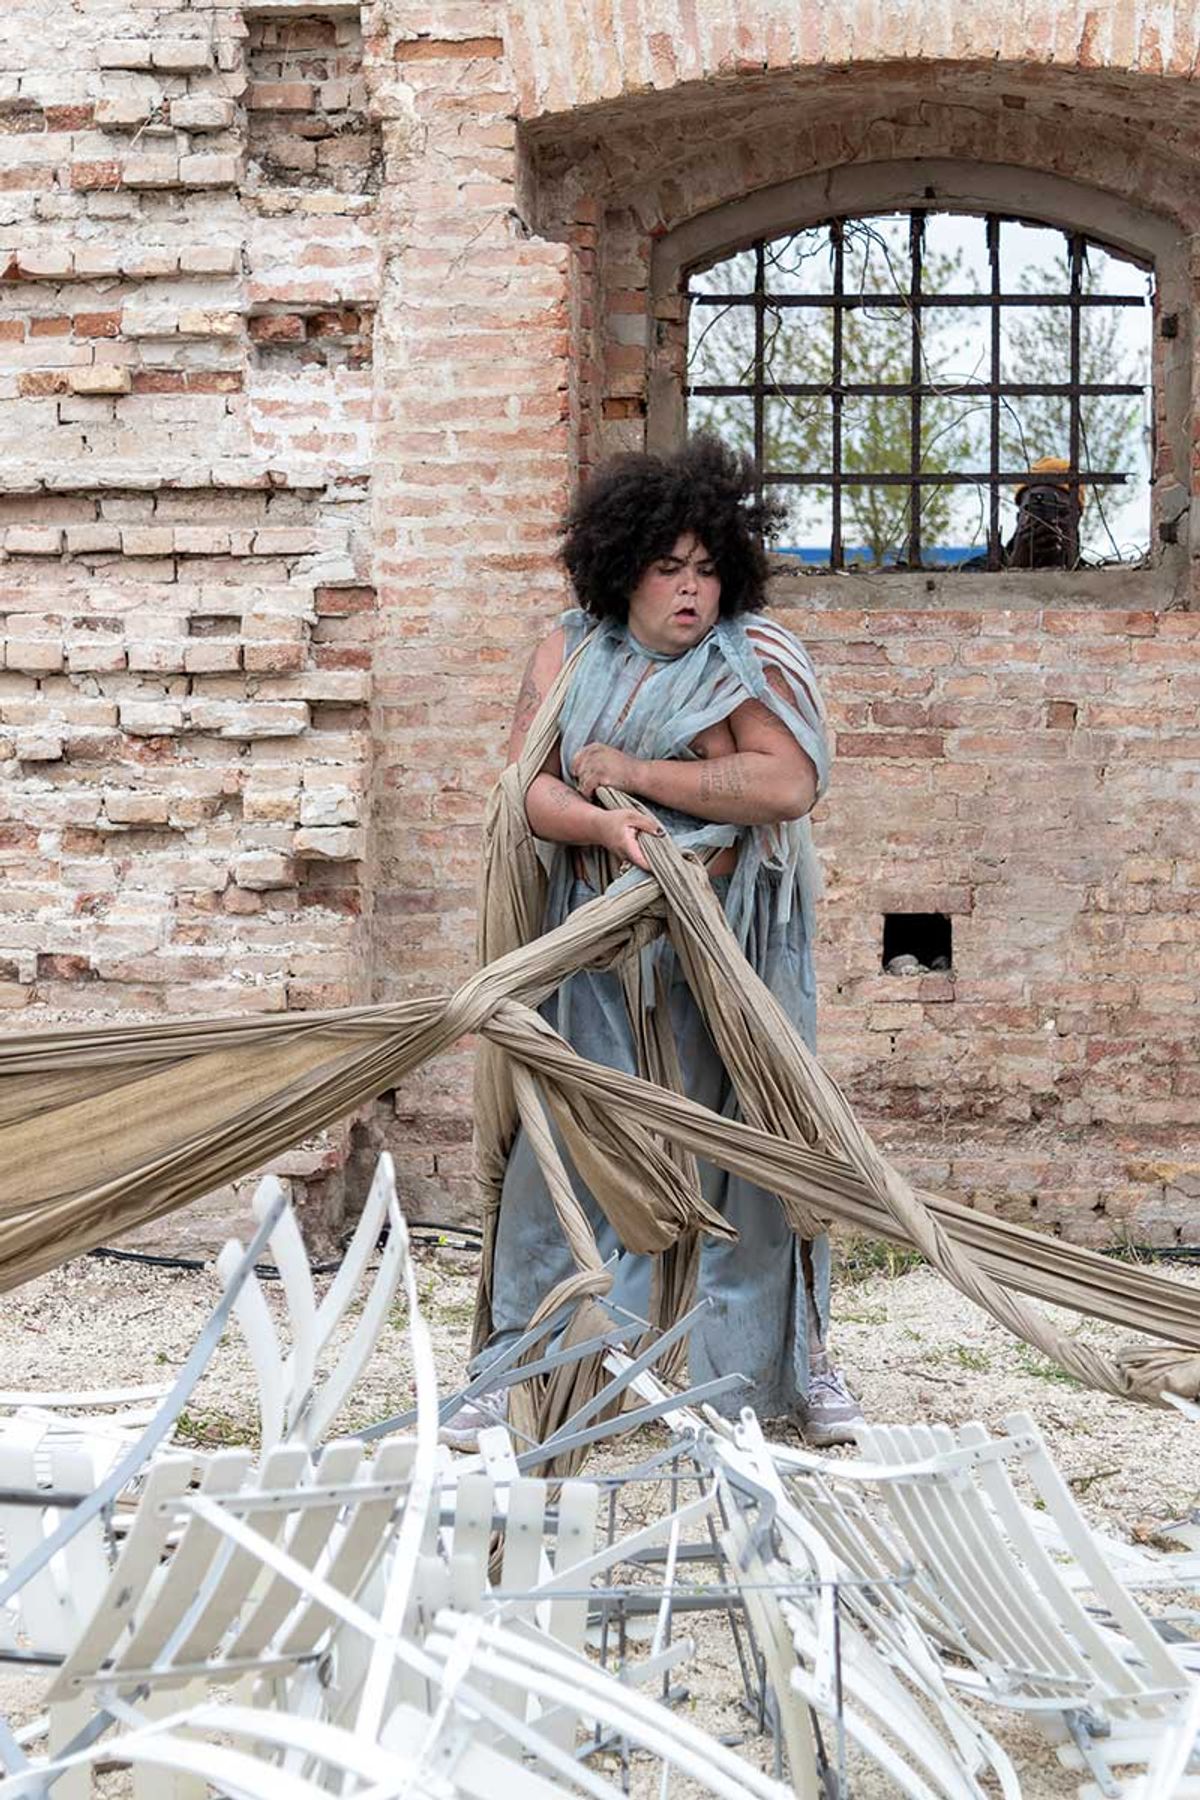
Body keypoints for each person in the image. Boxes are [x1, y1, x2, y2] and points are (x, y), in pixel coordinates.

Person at [451, 435, 862, 1449]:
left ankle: (780, 1364)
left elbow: (789, 782)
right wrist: (603, 823)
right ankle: (521, 1365)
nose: (691, 589)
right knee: (568, 1141)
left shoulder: (752, 659)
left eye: (708, 568)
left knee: (754, 1150)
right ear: (621, 566)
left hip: (724, 952)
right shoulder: (569, 651)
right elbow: (530, 787)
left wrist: (635, 774)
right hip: (594, 941)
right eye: (668, 568)